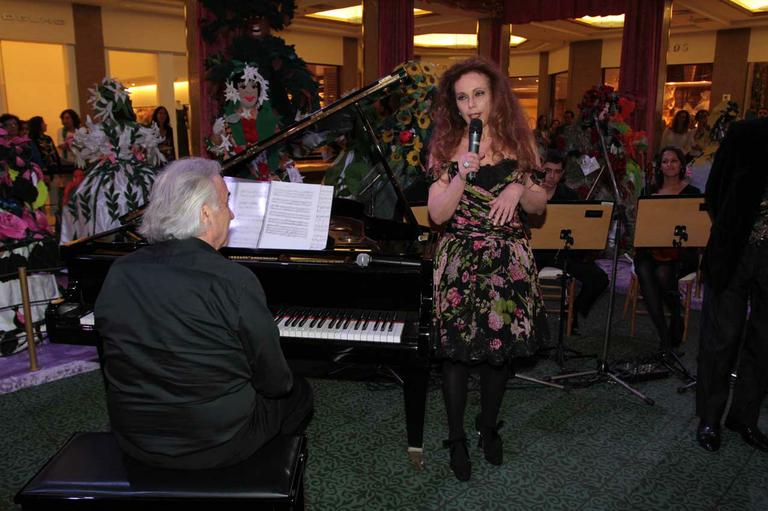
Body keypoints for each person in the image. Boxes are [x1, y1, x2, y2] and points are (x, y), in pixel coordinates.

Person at [94, 157, 313, 469]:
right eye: (226, 202)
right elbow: (276, 382)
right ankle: (264, 469)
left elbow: (112, 355)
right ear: (206, 213)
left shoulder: (120, 271)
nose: (232, 213)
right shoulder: (232, 280)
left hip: (134, 437)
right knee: (299, 392)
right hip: (217, 442)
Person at [428, 56, 548, 481]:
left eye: (479, 94)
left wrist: (519, 185)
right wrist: (460, 176)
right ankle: (457, 437)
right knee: (456, 359)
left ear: (495, 96)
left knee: (499, 356)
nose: (471, 105)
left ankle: (489, 427)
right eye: (462, 97)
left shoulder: (520, 143)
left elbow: (539, 207)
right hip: (460, 261)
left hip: (506, 263)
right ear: (454, 104)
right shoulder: (445, 147)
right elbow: (438, 216)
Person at [695, 117, 768, 453]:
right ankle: (709, 418)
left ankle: (744, 417)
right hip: (734, 251)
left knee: (763, 341)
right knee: (722, 338)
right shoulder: (747, 133)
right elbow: (715, 191)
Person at [533, 149, 609, 334]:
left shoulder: (569, 196)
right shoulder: (529, 192)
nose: (551, 176)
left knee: (599, 279)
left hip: (563, 251)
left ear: (563, 174)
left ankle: (572, 312)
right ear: (539, 169)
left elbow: (580, 229)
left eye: (557, 172)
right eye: (548, 170)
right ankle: (528, 321)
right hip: (534, 251)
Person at [633, 146, 700, 351]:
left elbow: (697, 227)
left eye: (674, 161)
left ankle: (676, 318)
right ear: (660, 166)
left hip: (682, 250)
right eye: (665, 161)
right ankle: (664, 335)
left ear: (681, 165)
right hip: (652, 247)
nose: (669, 165)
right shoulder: (649, 192)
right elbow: (642, 225)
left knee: (662, 273)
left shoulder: (693, 193)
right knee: (644, 268)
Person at [57, 109, 81, 173]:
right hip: (66, 163)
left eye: (67, 118)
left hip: (80, 162)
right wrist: (76, 146)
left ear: (73, 119)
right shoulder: (61, 131)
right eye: (63, 119)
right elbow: (62, 146)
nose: (65, 121)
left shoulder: (80, 130)